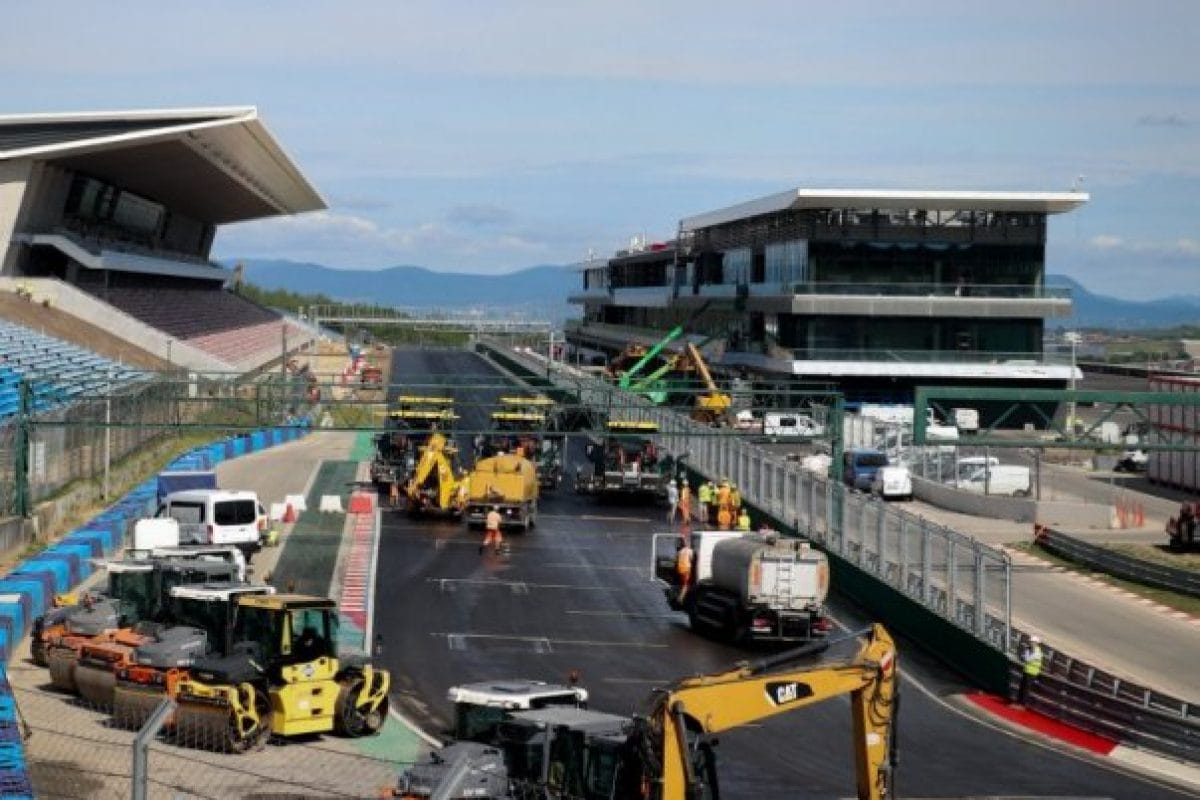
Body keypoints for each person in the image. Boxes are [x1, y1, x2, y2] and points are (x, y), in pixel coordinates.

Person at [1014, 634, 1043, 708]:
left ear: (1036, 643)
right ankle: (1018, 702)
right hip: (1026, 671)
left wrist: (1025, 655)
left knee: (1026, 689)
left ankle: (1022, 705)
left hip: (1032, 673)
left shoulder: (1038, 653)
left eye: (1033, 642)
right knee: (1022, 687)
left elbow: (1027, 659)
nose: (1031, 643)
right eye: (1031, 642)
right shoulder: (1029, 649)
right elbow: (1023, 657)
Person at [675, 536, 694, 602]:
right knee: (686, 585)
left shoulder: (680, 552)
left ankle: (679, 595)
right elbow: (692, 559)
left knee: (682, 584)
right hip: (686, 569)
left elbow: (677, 560)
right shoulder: (690, 551)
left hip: (680, 569)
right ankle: (680, 598)